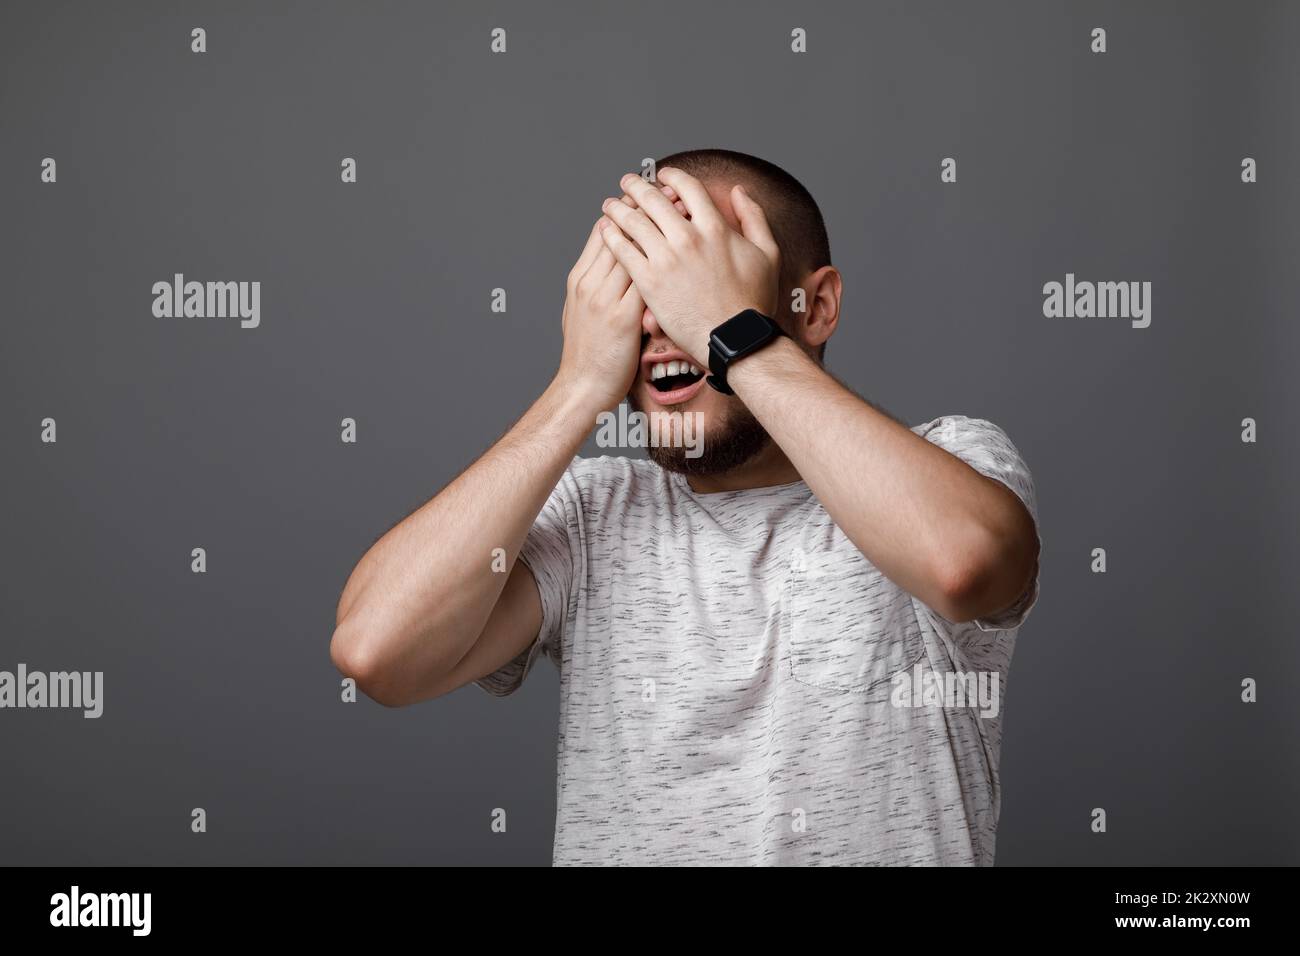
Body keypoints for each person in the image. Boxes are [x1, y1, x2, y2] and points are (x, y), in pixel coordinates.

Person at [330, 148, 1041, 865]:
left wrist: (734, 337)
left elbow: (965, 563)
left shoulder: (953, 457)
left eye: (702, 279)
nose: (667, 320)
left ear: (816, 306)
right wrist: (575, 388)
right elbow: (377, 652)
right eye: (641, 286)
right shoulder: (592, 514)